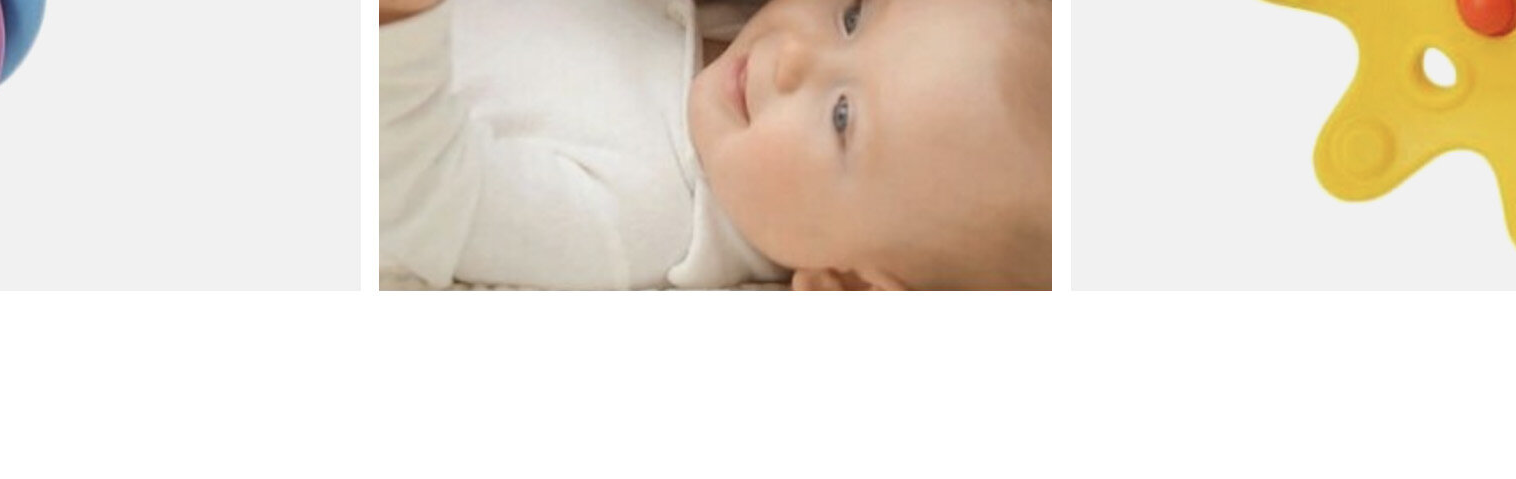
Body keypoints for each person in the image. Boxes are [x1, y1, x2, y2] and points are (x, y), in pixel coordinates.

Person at [382, 0, 1049, 290]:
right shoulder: (722, 34)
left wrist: (398, 20)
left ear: (847, 283)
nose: (797, 55)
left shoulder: (638, 219)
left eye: (842, 117)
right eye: (853, 16)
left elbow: (414, 193)